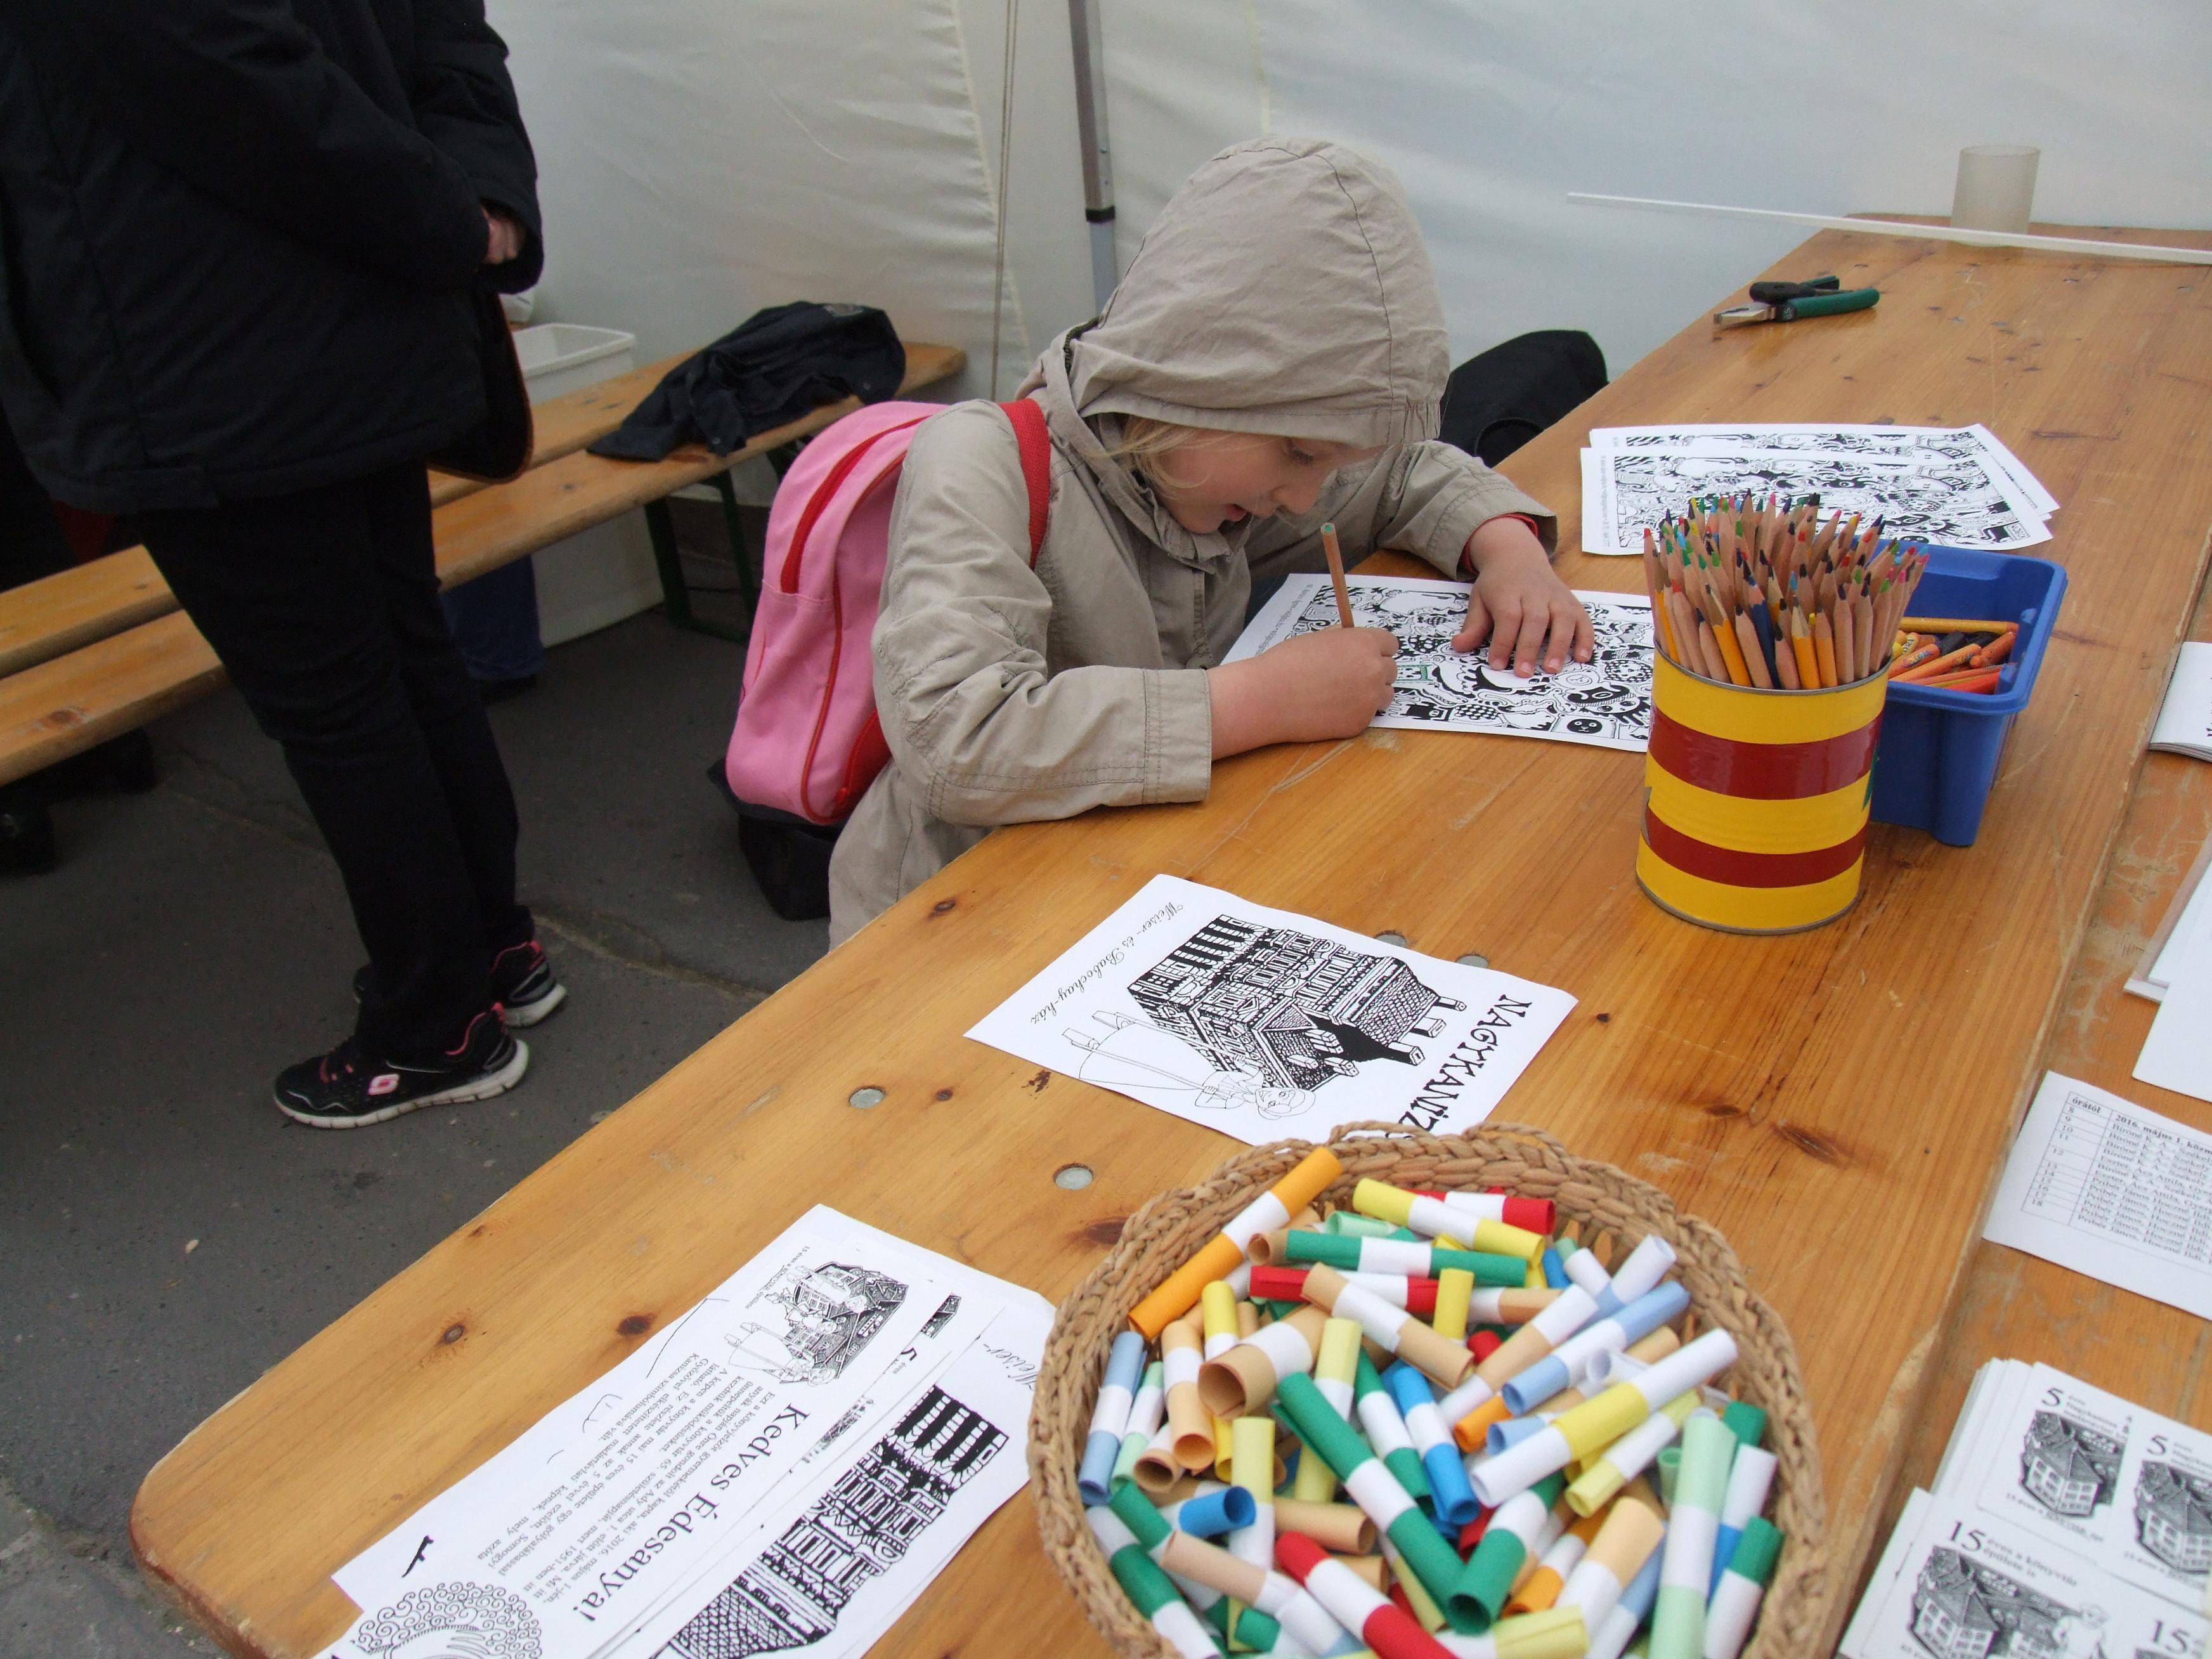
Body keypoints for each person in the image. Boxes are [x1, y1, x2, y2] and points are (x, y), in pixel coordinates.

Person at [0, 0, 565, 1126]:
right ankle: (489, 949)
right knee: (400, 658)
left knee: (346, 702)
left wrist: (452, 216)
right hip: (341, 327)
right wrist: (475, 200)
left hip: (214, 364)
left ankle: (436, 1026)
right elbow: (437, 37)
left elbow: (241, 85)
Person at [828, 137, 1592, 943]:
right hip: (945, 926)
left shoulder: (1216, 472)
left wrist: (1505, 549)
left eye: (1328, 463)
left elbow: (1400, 477)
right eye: (1297, 453)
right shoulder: (980, 460)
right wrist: (1258, 702)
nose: (1304, 498)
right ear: (1191, 379)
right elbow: (957, 740)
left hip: (1124, 889)